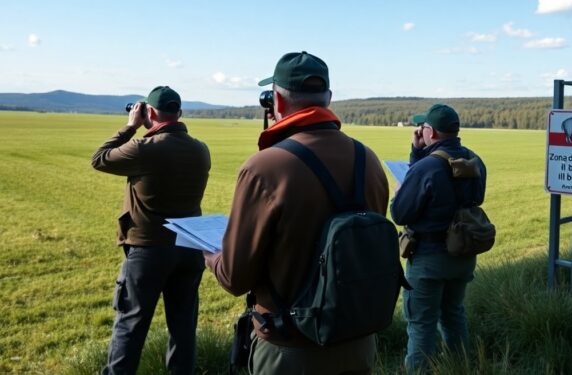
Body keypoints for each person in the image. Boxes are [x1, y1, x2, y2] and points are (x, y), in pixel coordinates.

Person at [205, 51, 389, 374]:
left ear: (275, 100)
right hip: (358, 343)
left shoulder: (264, 168)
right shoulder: (369, 160)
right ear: (328, 98)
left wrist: (209, 254)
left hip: (289, 350)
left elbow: (234, 278)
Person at [91, 86, 211, 375]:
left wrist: (131, 126)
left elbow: (100, 158)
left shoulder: (144, 149)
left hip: (148, 250)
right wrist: (150, 126)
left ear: (150, 112)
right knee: (183, 325)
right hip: (190, 247)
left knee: (131, 324)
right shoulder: (200, 149)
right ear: (179, 112)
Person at [390, 104, 487, 372]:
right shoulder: (475, 160)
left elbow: (400, 213)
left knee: (421, 324)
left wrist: (399, 192)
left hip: (428, 259)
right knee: (454, 315)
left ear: (431, 132)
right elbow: (476, 198)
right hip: (463, 253)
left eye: (423, 127)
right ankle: (460, 368)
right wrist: (418, 152)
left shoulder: (426, 168)